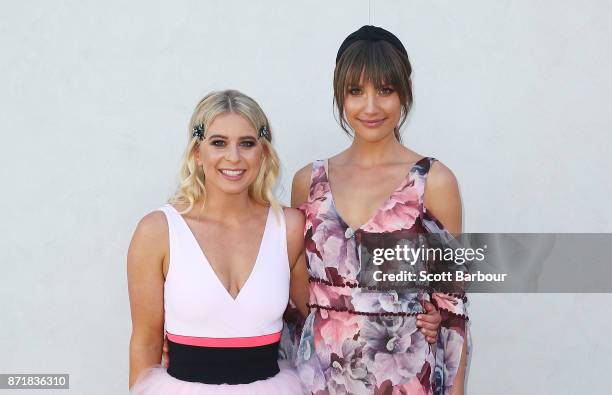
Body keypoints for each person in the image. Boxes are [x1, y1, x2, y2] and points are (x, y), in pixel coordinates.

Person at [291, 26, 469, 395]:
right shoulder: (308, 182)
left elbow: (453, 313)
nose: (370, 107)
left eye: (385, 90)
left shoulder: (433, 182)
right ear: (340, 95)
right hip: (320, 376)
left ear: (406, 91)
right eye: (356, 91)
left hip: (406, 377)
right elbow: (295, 297)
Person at [127, 90, 305, 394]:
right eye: (218, 142)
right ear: (197, 152)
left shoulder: (288, 227)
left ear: (262, 152)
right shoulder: (158, 231)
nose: (233, 157)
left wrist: (410, 312)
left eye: (247, 143)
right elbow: (145, 342)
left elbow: (323, 314)